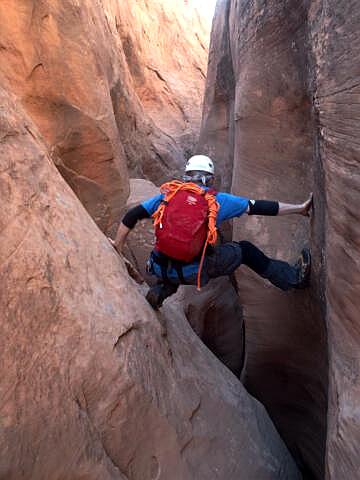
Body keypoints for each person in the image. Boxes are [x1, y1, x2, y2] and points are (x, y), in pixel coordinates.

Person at [110, 155, 312, 309]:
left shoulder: (168, 196)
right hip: (194, 272)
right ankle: (291, 278)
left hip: (159, 267)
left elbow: (131, 216)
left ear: (186, 176)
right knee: (245, 250)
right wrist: (299, 208)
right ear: (210, 179)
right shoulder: (217, 201)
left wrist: (117, 247)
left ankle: (162, 289)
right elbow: (260, 207)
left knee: (176, 247)